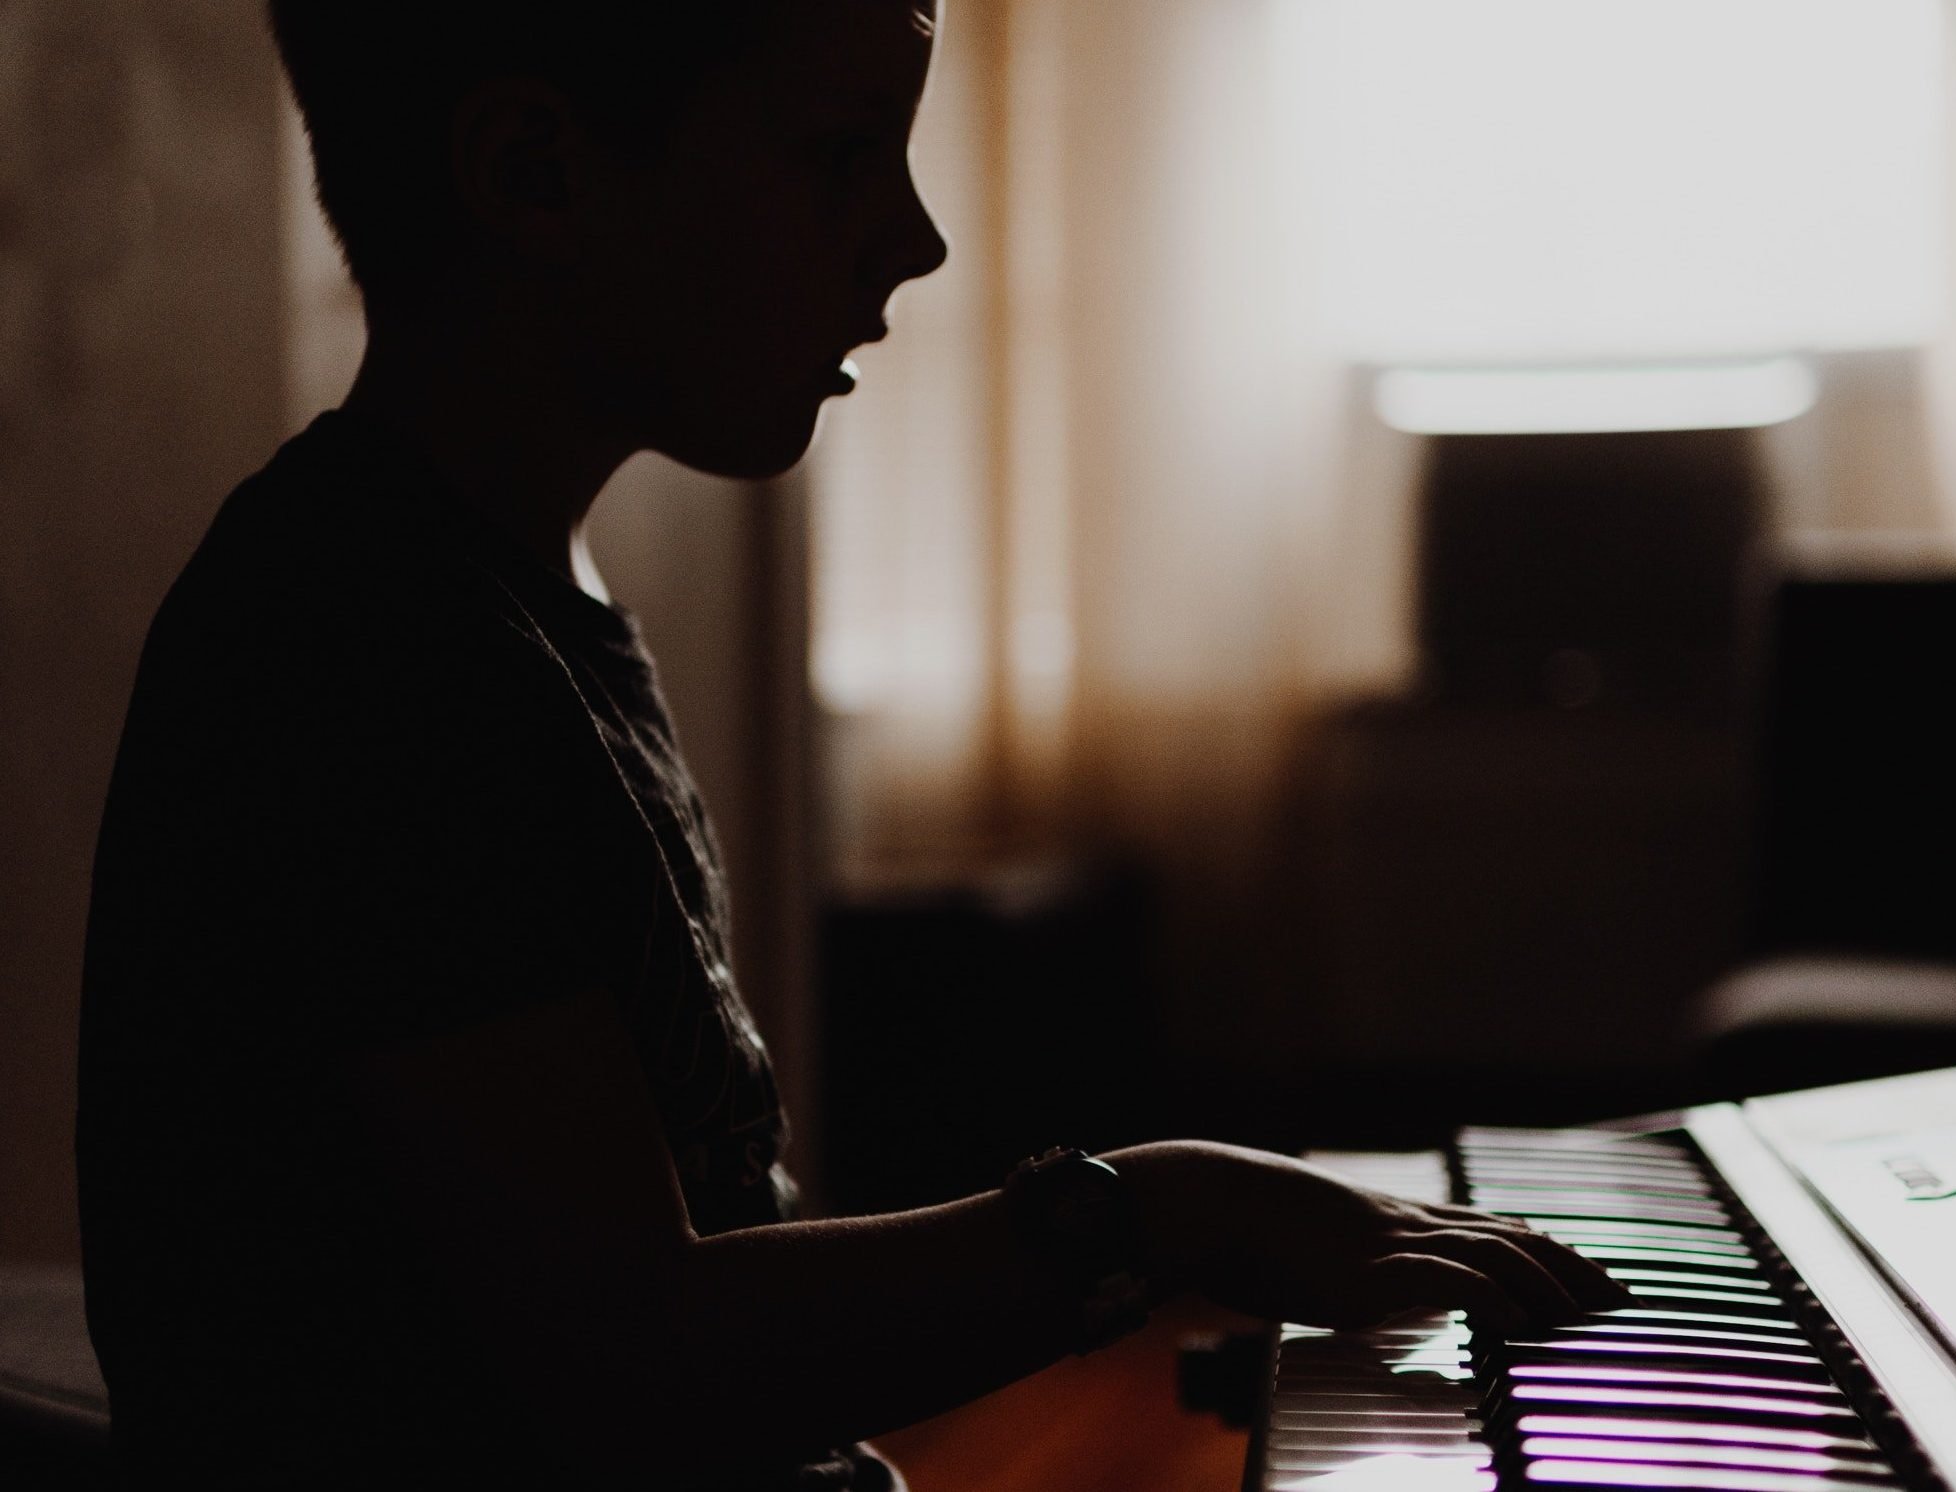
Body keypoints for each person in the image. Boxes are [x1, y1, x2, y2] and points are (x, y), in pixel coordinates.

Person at [75, 2, 1633, 1488]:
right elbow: (630, 1362)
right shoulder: (364, 646)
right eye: (838, 150)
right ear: (538, 175)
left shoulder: (499, 594)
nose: (918, 237)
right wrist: (1150, 1213)